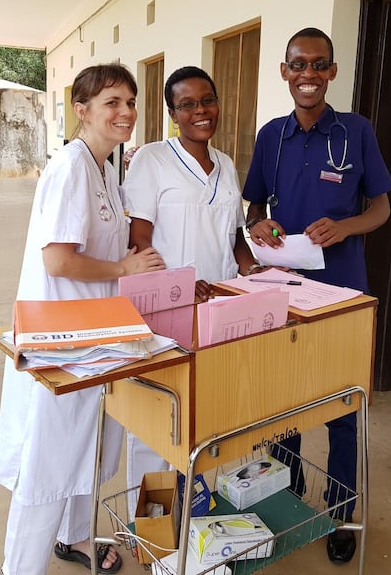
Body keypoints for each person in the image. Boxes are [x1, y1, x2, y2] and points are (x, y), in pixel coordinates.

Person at [0, 63, 165, 575]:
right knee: (48, 461)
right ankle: (20, 568)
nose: (126, 112)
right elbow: (59, 261)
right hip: (60, 336)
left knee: (84, 446)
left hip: (93, 332)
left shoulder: (106, 166)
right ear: (82, 110)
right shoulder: (71, 167)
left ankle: (74, 539)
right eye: (113, 102)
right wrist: (124, 267)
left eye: (131, 102)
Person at [242, 27, 391, 564]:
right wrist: (259, 227)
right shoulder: (271, 135)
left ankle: (341, 511)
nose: (308, 75)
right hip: (283, 293)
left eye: (319, 65)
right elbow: (253, 209)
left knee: (343, 407)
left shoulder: (356, 131)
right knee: (283, 403)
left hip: (342, 296)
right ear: (284, 72)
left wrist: (348, 227)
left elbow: (381, 208)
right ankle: (284, 492)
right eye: (298, 65)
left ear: (332, 72)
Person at [121, 65, 263, 508]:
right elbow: (138, 241)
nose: (201, 111)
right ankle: (148, 525)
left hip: (220, 312)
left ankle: (196, 510)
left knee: (208, 414)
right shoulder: (152, 160)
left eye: (207, 100)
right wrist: (181, 284)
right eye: (188, 105)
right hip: (165, 312)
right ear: (172, 114)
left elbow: (234, 234)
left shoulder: (225, 166)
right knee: (156, 418)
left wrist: (252, 269)